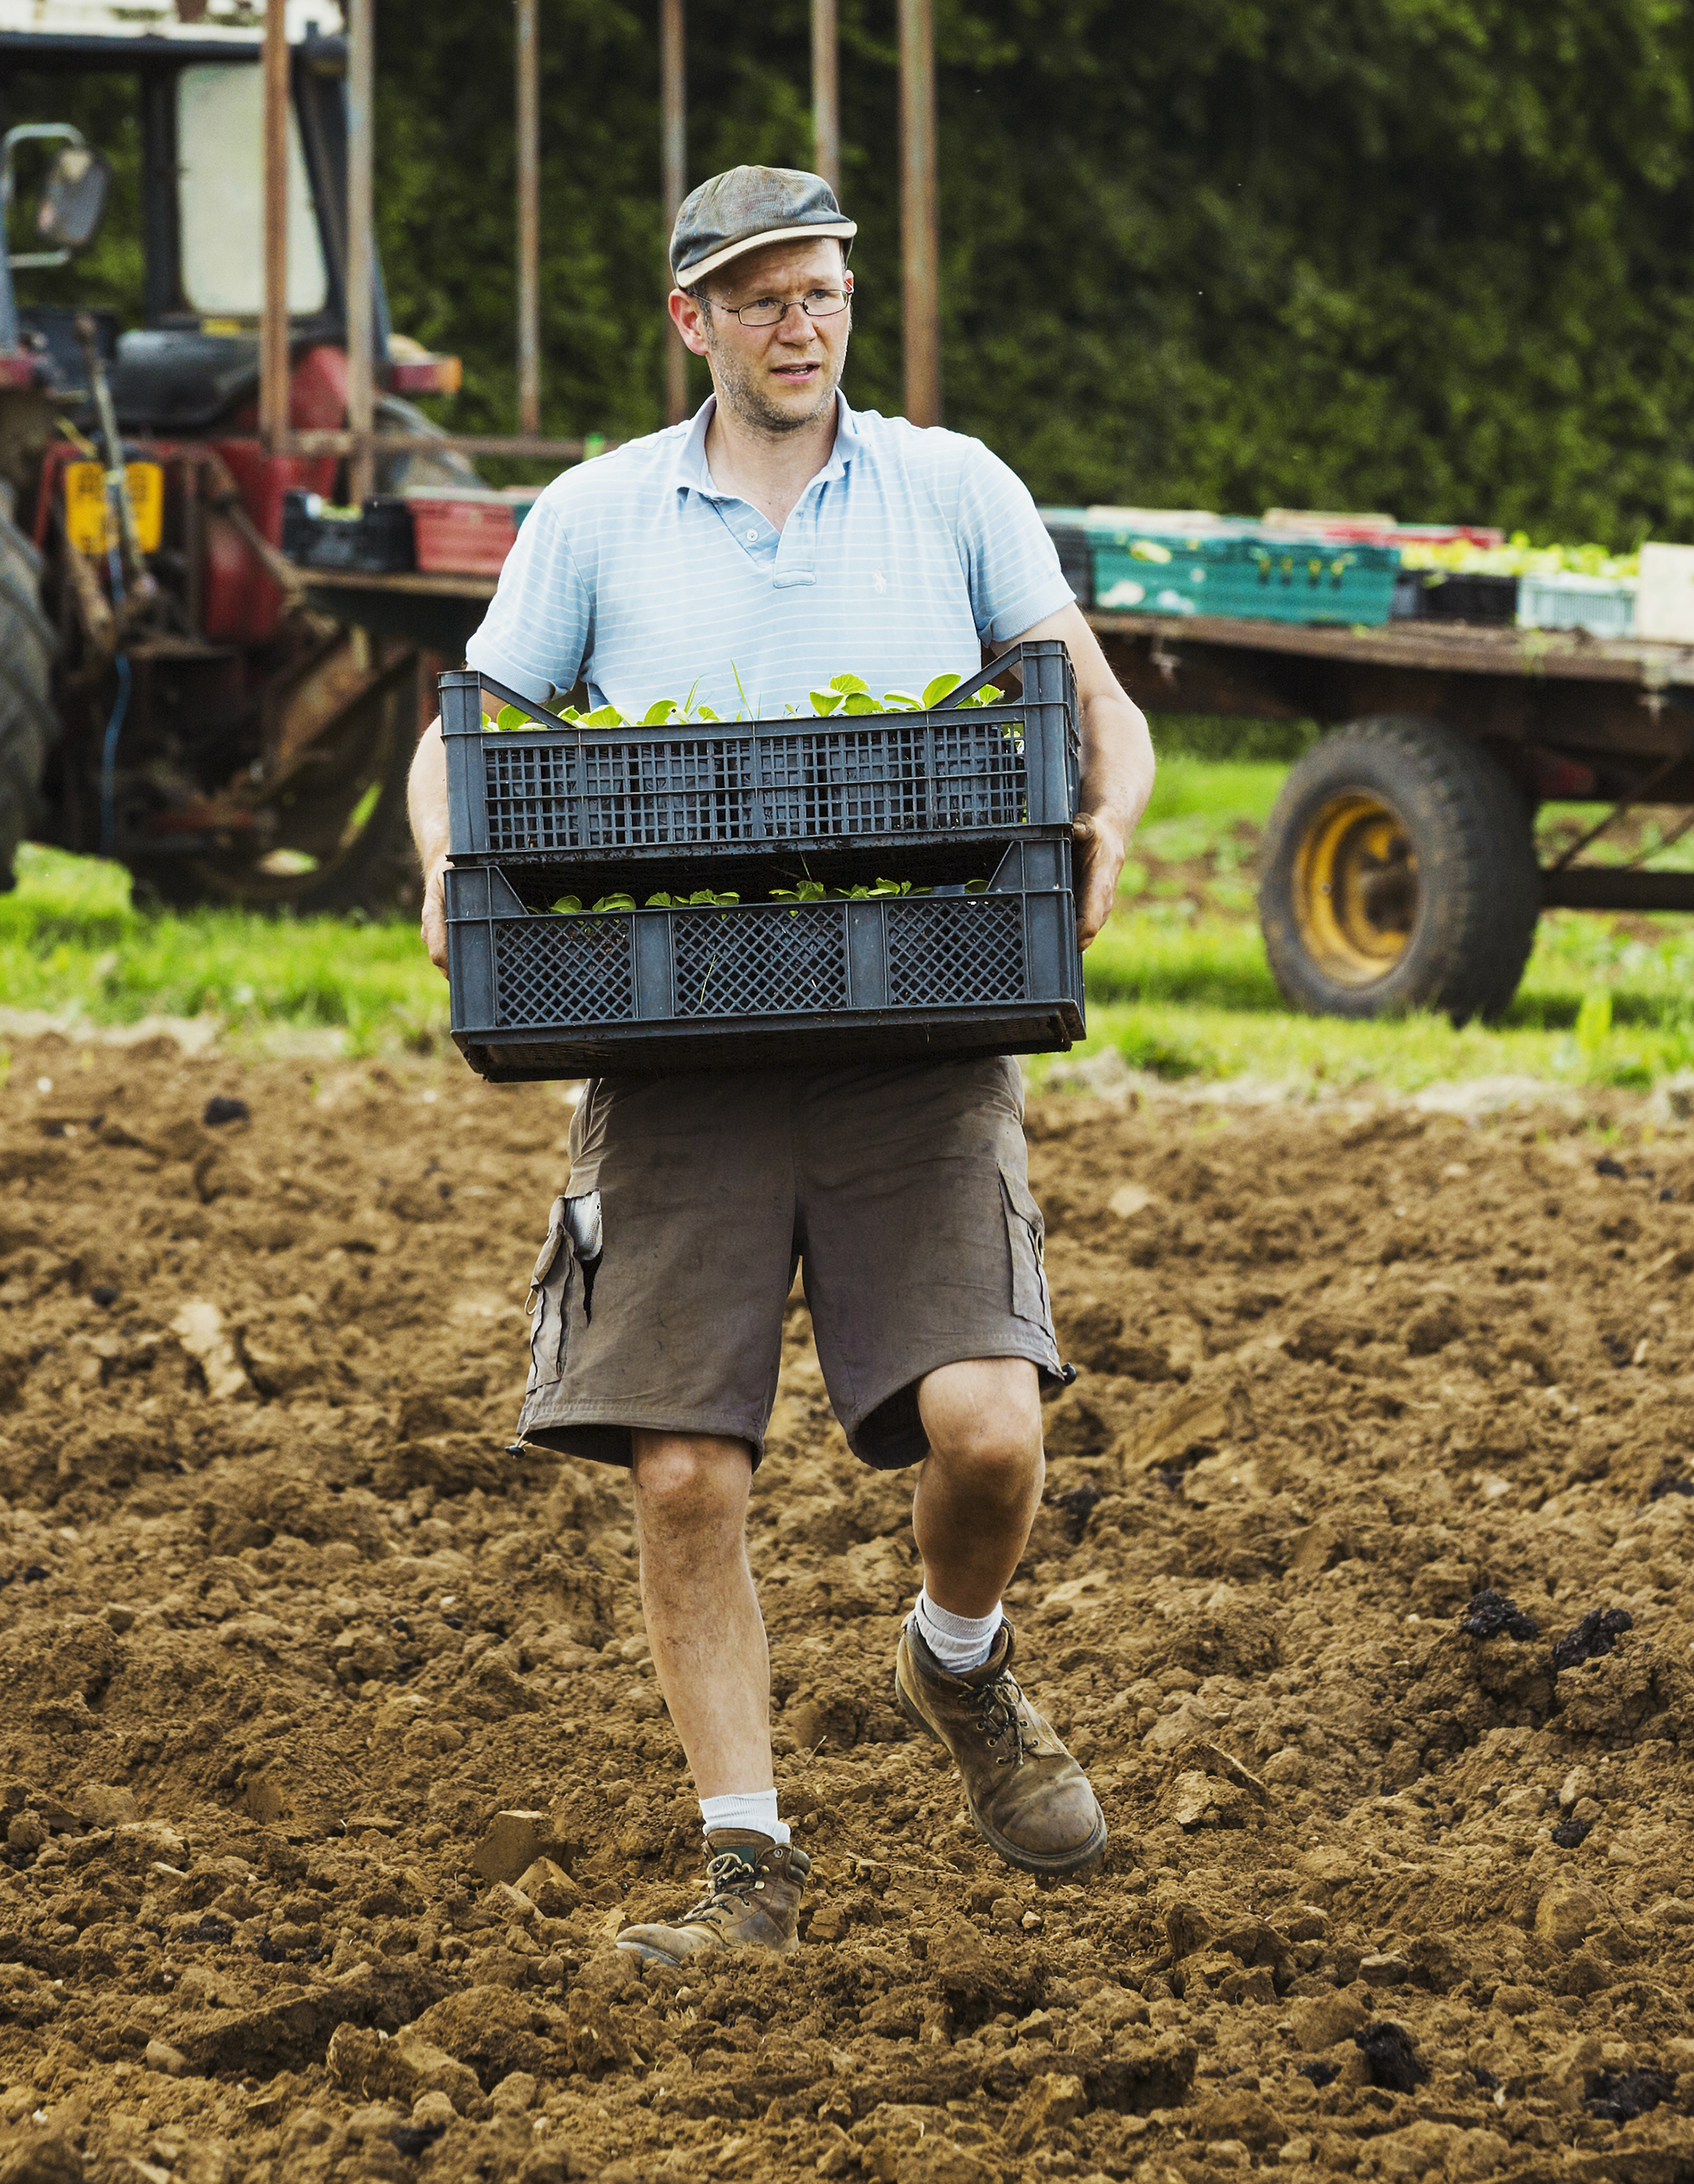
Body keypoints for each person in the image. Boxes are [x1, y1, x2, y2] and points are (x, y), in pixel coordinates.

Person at [407, 165, 1159, 1969]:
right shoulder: (596, 517)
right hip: (677, 1046)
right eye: (757, 300)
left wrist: (1113, 805)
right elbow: (473, 735)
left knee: (989, 1432)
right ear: (693, 323)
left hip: (921, 1023)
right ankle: (746, 1860)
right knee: (685, 1473)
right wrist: (443, 870)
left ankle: (955, 1662)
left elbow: (1084, 690)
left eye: (817, 294)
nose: (797, 325)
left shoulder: (951, 486)